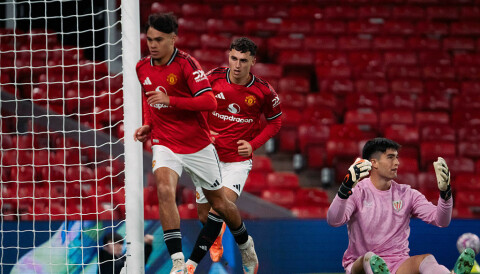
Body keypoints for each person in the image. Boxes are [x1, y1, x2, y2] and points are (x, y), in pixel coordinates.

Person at [133, 13, 258, 274]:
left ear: (173, 39)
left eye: (158, 39)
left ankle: (245, 244)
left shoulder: (187, 65)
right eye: (149, 39)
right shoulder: (141, 67)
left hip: (197, 145)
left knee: (218, 206)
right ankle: (178, 262)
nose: (152, 44)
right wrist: (149, 124)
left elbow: (209, 102)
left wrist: (172, 101)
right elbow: (149, 98)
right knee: (164, 190)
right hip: (164, 141)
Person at [184, 37, 282, 273]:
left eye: (243, 61)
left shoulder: (262, 91)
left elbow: (276, 121)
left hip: (236, 162)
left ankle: (200, 261)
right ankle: (215, 236)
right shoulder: (213, 78)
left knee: (221, 206)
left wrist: (253, 144)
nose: (237, 65)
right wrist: (205, 130)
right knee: (204, 215)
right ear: (229, 56)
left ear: (253, 62)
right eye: (234, 59)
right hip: (208, 159)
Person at [326, 137, 475, 274]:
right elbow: (334, 220)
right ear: (374, 162)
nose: (397, 162)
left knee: (427, 259)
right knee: (370, 259)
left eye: (397, 157)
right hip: (360, 264)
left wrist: (445, 193)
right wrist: (345, 188)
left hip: (398, 263)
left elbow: (442, 221)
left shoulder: (407, 194)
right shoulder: (358, 192)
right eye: (390, 157)